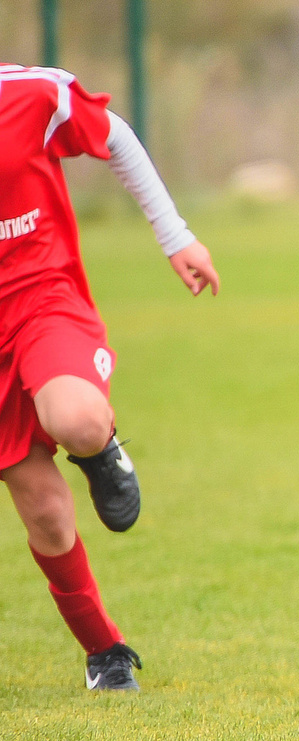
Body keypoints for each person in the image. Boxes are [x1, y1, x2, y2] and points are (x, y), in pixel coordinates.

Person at [0, 64, 220, 691]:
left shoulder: (28, 95)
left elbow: (114, 136)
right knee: (41, 508)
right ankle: (105, 651)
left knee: (76, 419)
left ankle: (101, 451)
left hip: (44, 301)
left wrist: (174, 234)